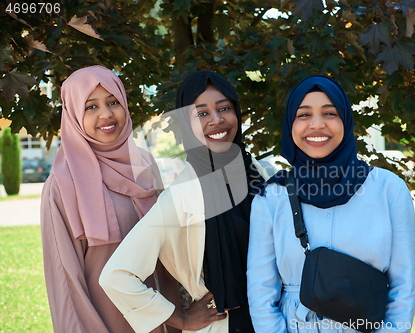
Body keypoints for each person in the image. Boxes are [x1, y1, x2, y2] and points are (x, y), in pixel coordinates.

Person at [99, 71, 275, 333]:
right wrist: (179, 319)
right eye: (201, 113)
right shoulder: (182, 196)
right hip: (226, 324)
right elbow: (116, 275)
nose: (216, 120)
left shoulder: (262, 174)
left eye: (224, 108)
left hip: (275, 319)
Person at [247, 75, 415, 332]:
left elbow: (403, 285)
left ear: (345, 121)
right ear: (290, 124)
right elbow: (261, 289)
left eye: (330, 113)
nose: (317, 124)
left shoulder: (388, 190)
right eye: (303, 115)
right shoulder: (271, 197)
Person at [40, 65, 182, 333]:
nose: (106, 114)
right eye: (90, 106)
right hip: (110, 322)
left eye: (113, 102)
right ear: (73, 115)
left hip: (167, 318)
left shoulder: (144, 162)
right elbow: (66, 280)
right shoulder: (61, 185)